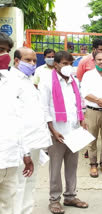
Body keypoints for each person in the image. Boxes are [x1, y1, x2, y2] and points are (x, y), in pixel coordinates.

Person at [39, 51, 88, 214]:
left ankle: (70, 196)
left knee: (72, 166)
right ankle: (54, 200)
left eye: (70, 64)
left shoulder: (74, 81)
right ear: (56, 64)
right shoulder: (47, 81)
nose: (68, 67)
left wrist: (82, 119)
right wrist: (52, 130)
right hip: (57, 133)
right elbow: (44, 108)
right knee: (55, 167)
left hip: (74, 130)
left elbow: (79, 102)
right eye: (64, 64)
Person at [10, 47, 52, 214]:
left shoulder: (29, 80)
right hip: (21, 144)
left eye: (34, 60)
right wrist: (25, 151)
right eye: (28, 60)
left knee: (31, 183)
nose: (32, 64)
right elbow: (14, 117)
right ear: (16, 60)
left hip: (34, 141)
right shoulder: (11, 81)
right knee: (18, 185)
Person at [0, 32, 34, 214]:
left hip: (10, 158)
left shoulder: (10, 82)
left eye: (6, 50)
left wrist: (26, 153)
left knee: (10, 207)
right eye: (0, 50)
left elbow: (17, 120)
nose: (4, 55)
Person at [76, 38, 102, 158]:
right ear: (94, 51)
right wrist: (98, 101)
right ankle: (92, 162)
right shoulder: (85, 64)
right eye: (99, 58)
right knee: (91, 138)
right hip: (92, 109)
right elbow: (83, 86)